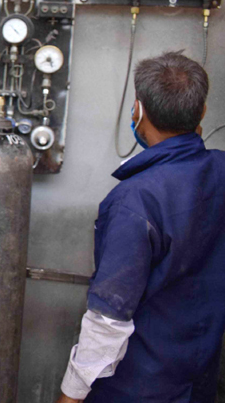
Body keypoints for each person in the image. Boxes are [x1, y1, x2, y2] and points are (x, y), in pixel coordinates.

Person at [57, 51, 225, 403]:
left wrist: (70, 397)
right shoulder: (220, 171)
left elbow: (109, 319)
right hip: (198, 381)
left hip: (138, 387)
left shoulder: (134, 201)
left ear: (137, 111)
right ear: (202, 112)